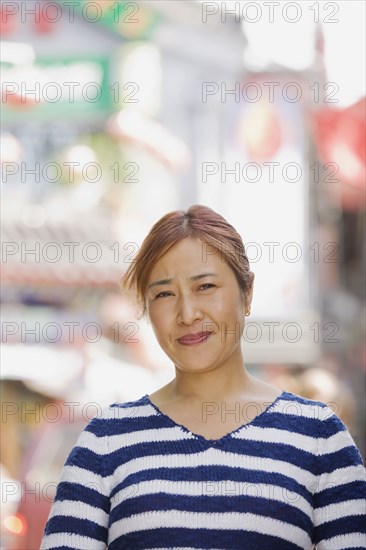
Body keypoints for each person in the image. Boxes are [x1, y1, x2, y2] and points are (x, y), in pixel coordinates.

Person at [41, 205, 366, 549]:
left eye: (206, 286)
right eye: (164, 294)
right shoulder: (105, 443)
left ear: (248, 292)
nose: (187, 313)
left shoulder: (320, 437)